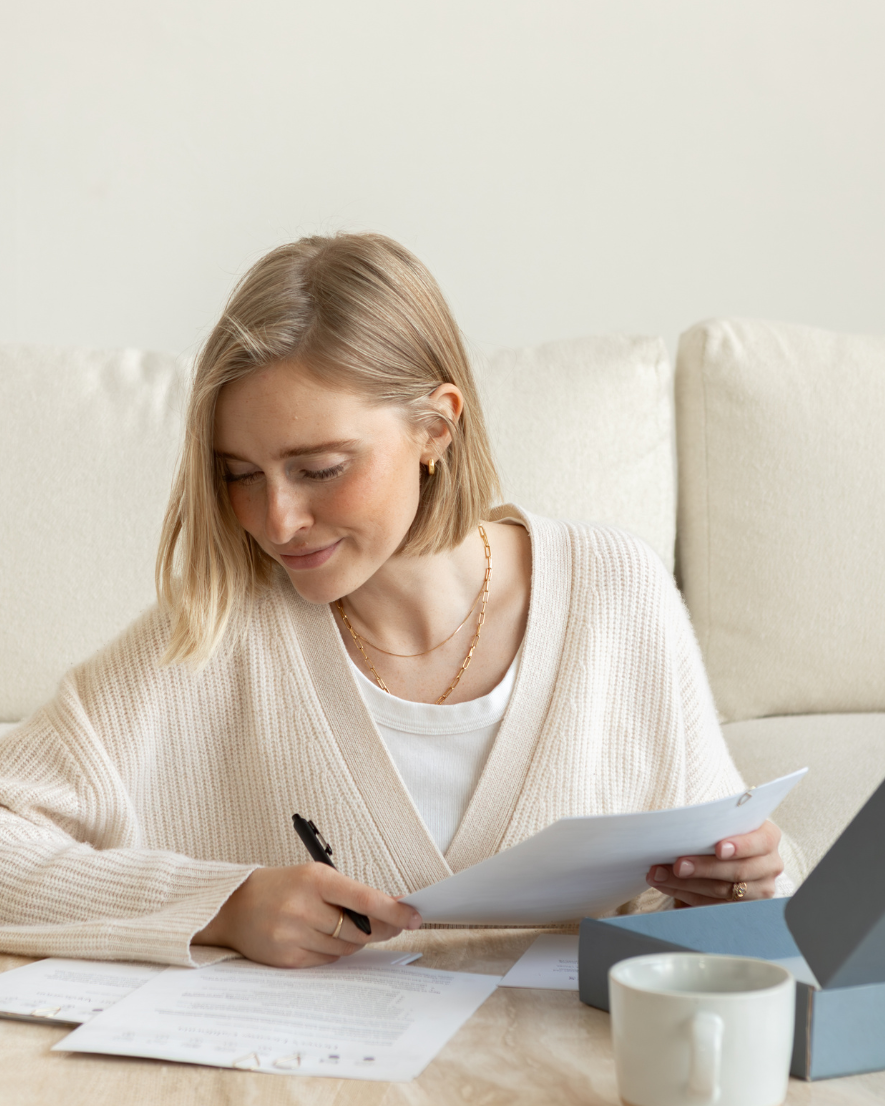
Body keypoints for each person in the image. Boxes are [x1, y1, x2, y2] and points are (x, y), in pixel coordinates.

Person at [0, 233, 789, 969]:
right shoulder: (220, 634)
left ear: (436, 429)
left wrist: (747, 877)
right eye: (240, 474)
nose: (276, 519)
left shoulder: (618, 591)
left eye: (319, 468)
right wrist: (222, 906)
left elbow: (720, 895)